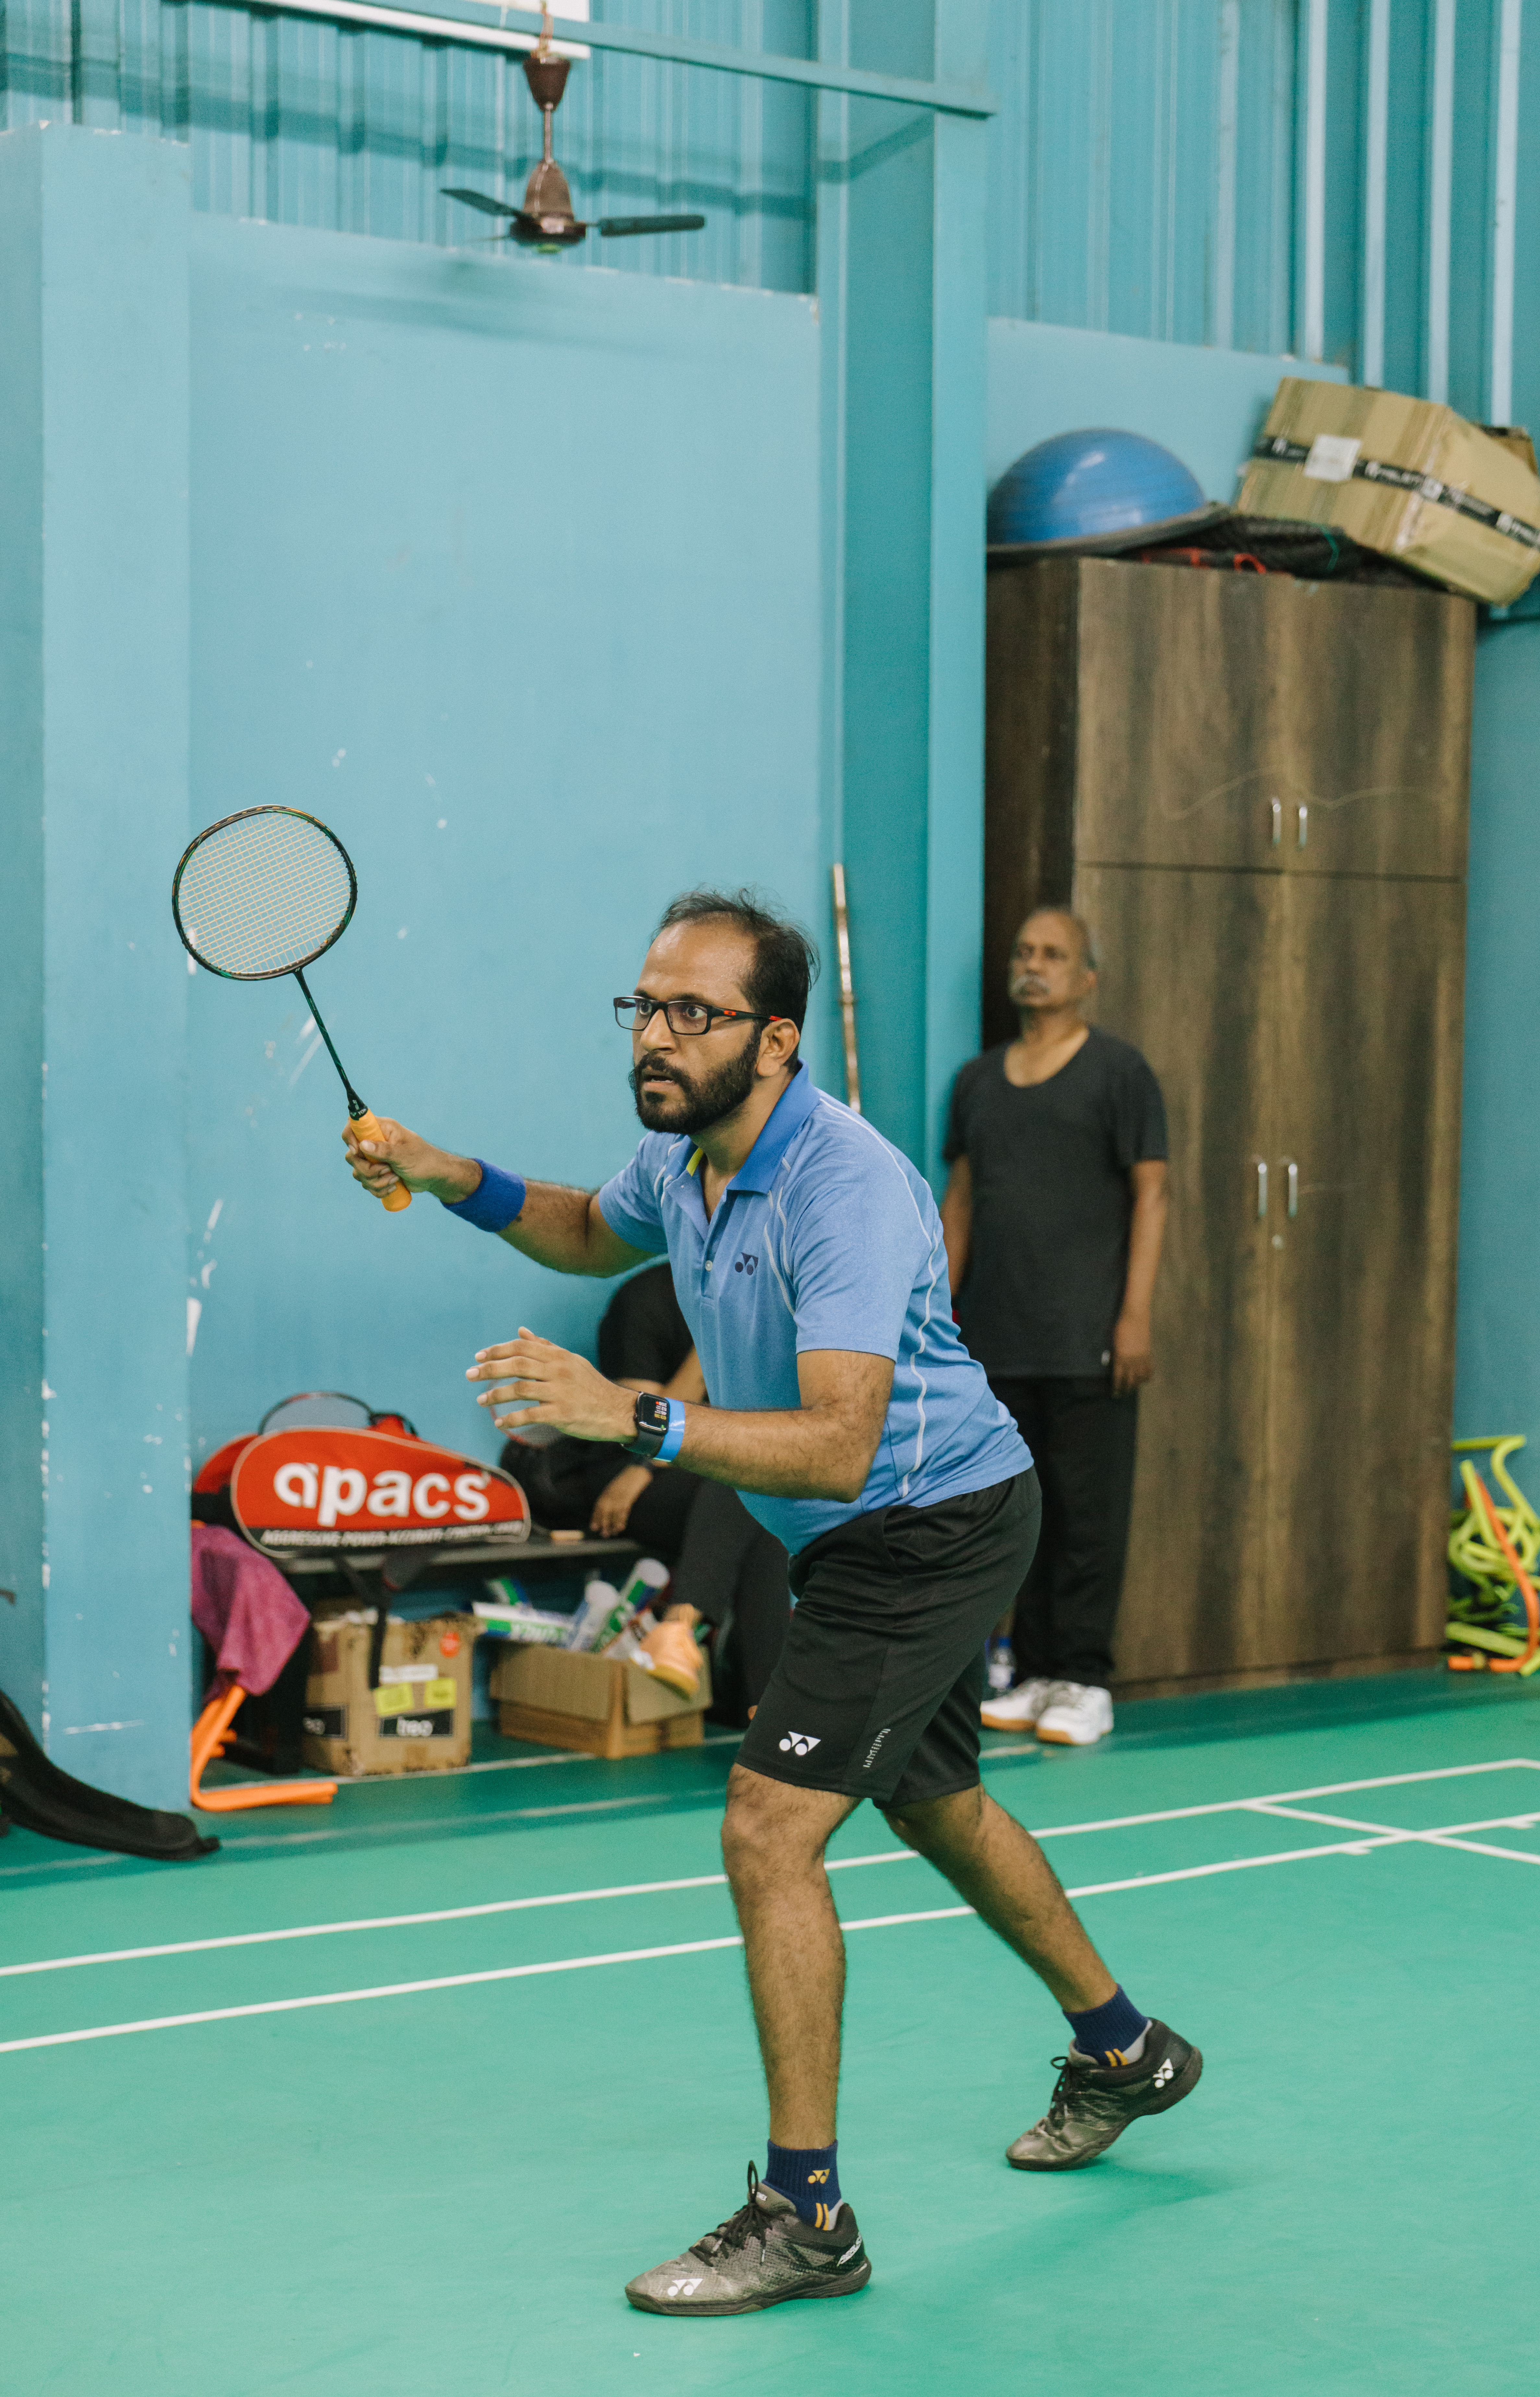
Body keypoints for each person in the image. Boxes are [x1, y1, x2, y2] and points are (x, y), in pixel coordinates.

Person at [344, 887, 1200, 2317]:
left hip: (922, 1521)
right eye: (644, 1006)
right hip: (856, 1535)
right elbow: (577, 1229)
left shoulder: (844, 1185)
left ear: (777, 1036)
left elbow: (840, 1437)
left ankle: (805, 2214)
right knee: (932, 1805)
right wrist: (446, 1172)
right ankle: (1123, 2049)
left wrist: (635, 1419)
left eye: (695, 1011)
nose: (657, 1036)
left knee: (765, 1825)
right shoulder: (683, 1159)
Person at [941, 907, 1169, 1747]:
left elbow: (1152, 1194)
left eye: (1052, 955)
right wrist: (932, 1315)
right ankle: (1033, 1673)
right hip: (996, 1342)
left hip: (1087, 1340)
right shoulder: (974, 1083)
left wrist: (1133, 1315)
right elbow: (958, 1206)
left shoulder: (1119, 1074)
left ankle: (1082, 1679)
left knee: (1086, 1514)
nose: (1031, 966)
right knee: (1019, 1511)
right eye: (1021, 951)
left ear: (1085, 979)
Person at [502, 1262, 790, 1722]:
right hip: (623, 1472)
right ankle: (697, 1644)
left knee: (759, 1505)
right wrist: (709, 1347)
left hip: (714, 1478)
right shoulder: (645, 1301)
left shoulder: (768, 1304)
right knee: (747, 1492)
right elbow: (637, 1425)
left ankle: (758, 1709)